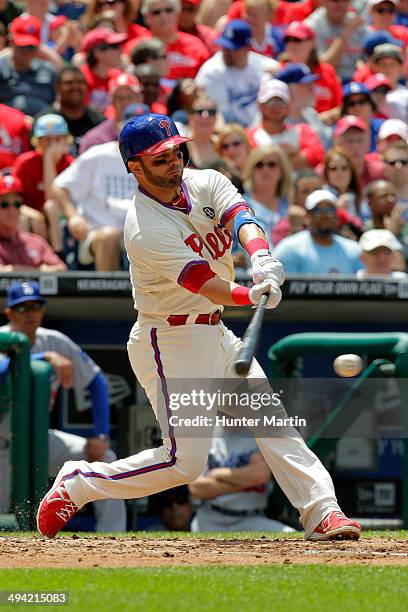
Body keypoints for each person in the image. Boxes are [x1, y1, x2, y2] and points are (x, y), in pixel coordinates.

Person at [37, 113, 361, 543]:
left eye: (176, 151)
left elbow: (241, 218)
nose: (173, 162)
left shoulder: (206, 181)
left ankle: (323, 513)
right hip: (169, 339)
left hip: (217, 332)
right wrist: (251, 294)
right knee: (183, 464)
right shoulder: (143, 228)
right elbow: (204, 285)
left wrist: (262, 258)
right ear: (135, 167)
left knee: (274, 423)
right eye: (160, 158)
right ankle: (79, 483)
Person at [0, 281, 127, 532]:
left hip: (39, 441)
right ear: (10, 313)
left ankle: (112, 537)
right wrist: (41, 357)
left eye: (35, 306)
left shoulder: (54, 341)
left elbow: (97, 382)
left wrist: (101, 435)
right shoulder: (2, 339)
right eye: (22, 308)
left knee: (105, 458)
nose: (30, 313)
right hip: (2, 445)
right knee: (5, 519)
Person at [189, 423, 295, 532]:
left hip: (251, 520)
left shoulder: (259, 435)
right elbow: (196, 488)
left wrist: (218, 474)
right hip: (209, 519)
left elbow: (261, 474)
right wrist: (247, 481)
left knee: (290, 536)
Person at [50, 140, 136, 271]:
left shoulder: (156, 158)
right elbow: (58, 186)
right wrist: (73, 216)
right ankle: (108, 291)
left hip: (139, 233)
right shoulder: (97, 155)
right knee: (109, 236)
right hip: (96, 232)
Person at [195, 20, 278, 127]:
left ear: (248, 47)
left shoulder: (261, 64)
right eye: (225, 47)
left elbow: (281, 68)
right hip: (232, 132)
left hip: (261, 129)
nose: (227, 52)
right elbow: (223, 117)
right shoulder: (211, 73)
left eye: (233, 48)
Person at [13, 114, 74, 253]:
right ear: (37, 141)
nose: (52, 145)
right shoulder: (25, 162)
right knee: (20, 217)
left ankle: (59, 256)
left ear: (66, 140)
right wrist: (29, 211)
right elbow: (11, 196)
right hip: (31, 217)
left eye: (57, 139)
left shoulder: (70, 164)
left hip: (60, 219)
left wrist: (48, 160)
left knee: (52, 207)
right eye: (47, 140)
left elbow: (51, 198)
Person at [272, 189, 362, 274]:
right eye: (319, 211)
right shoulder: (289, 249)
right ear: (307, 216)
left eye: (330, 210)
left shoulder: (353, 250)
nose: (325, 216)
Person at [125, 0, 210, 82]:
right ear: (146, 18)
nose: (163, 15)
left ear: (177, 13)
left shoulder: (195, 45)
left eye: (168, 10)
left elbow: (207, 79)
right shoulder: (135, 47)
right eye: (156, 12)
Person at [248, 79, 324, 170]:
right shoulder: (249, 135)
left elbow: (316, 155)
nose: (276, 107)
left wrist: (267, 160)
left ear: (289, 105)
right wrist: (284, 154)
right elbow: (249, 162)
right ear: (260, 105)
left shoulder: (303, 130)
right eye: (270, 102)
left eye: (281, 102)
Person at [0, 175, 66, 272]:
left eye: (17, 204)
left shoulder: (35, 241)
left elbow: (61, 269)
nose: (12, 210)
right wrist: (39, 270)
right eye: (4, 204)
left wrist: (13, 270)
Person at [35, 66, 106, 156]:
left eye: (80, 82)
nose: (75, 86)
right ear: (58, 87)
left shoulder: (98, 120)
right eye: (68, 83)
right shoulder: (45, 120)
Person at [0, 15, 57, 116]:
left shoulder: (48, 71)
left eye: (31, 47)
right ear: (11, 41)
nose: (27, 51)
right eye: (22, 46)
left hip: (44, 128)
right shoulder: (2, 68)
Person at [281, 21, 342, 114]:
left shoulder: (327, 71)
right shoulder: (280, 72)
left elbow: (340, 107)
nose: (291, 44)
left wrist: (321, 119)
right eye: (287, 40)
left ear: (312, 42)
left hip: (325, 126)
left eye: (297, 39)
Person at [305, 0, 368, 83]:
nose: (339, 5)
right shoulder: (313, 25)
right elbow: (325, 64)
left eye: (344, 0)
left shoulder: (356, 21)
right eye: (334, 0)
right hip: (327, 80)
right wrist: (347, 31)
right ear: (324, 2)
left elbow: (368, 59)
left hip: (357, 80)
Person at [242, 144, 292, 248]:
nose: (265, 169)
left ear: (282, 170)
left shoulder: (290, 201)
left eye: (272, 164)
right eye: (259, 165)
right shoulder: (240, 203)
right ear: (251, 170)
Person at [79, 73, 143, 153]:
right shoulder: (96, 139)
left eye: (130, 97)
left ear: (140, 99)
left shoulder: (153, 130)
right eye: (120, 98)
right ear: (112, 101)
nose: (125, 102)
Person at [80, 28, 127, 113]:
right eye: (115, 47)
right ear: (98, 53)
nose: (121, 51)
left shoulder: (119, 77)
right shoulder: (80, 78)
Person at [271, 169, 323, 246]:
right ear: (295, 196)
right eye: (305, 191)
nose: (312, 195)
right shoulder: (283, 228)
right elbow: (283, 256)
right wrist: (295, 228)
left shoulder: (332, 219)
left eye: (317, 190)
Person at [333, 115, 384, 187]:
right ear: (337, 143)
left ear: (368, 143)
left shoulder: (380, 171)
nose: (355, 146)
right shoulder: (326, 172)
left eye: (360, 140)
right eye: (350, 141)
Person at [341, 82, 384, 153]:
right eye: (351, 103)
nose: (357, 107)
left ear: (371, 105)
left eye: (361, 101)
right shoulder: (339, 131)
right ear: (345, 109)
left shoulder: (383, 127)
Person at [186, 94, 220, 169]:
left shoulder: (224, 145)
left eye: (211, 112)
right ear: (190, 117)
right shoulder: (182, 147)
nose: (205, 115)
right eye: (199, 111)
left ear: (216, 118)